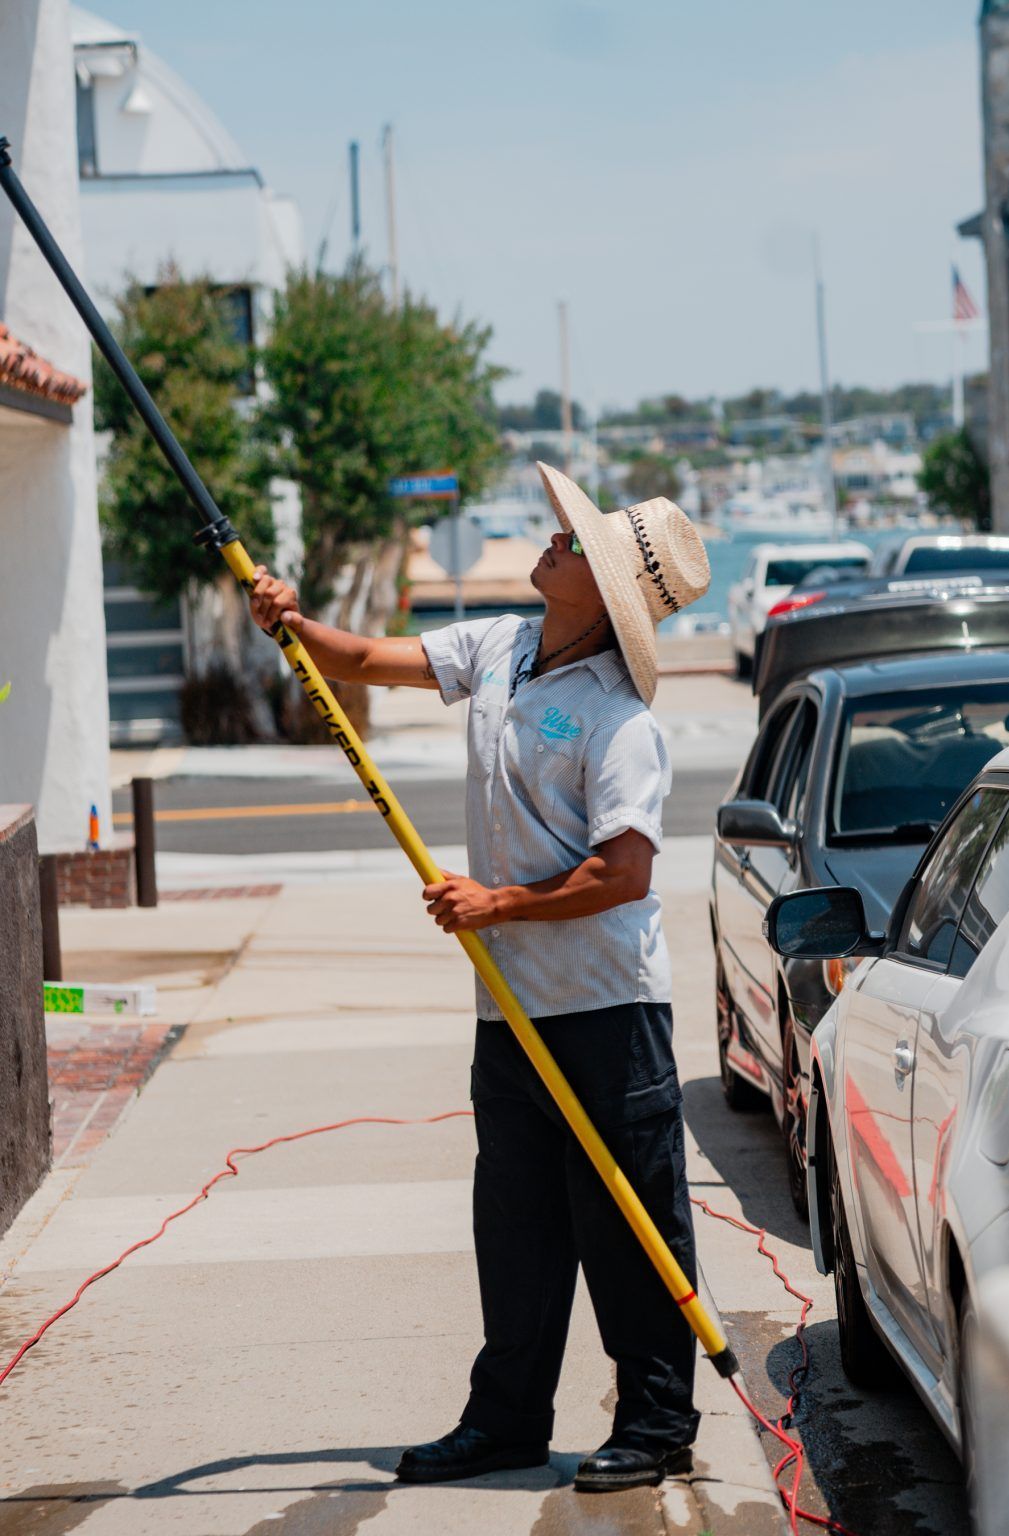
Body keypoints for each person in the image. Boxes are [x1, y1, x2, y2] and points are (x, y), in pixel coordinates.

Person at [247, 461, 710, 1492]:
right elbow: (366, 657)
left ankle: (658, 1422)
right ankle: (505, 1420)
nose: (550, 541)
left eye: (573, 544)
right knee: (516, 1220)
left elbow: (624, 871)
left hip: (606, 1006)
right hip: (511, 1007)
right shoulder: (500, 645)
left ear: (606, 593)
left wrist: (498, 904)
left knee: (625, 1221)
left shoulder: (620, 719)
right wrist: (291, 621)